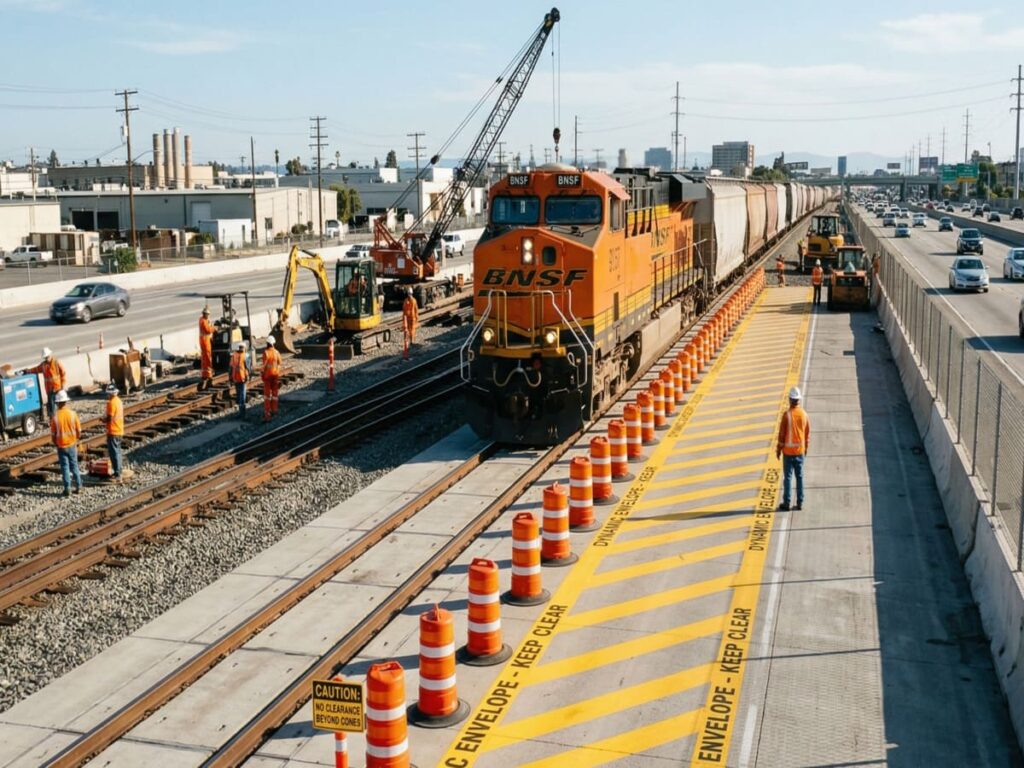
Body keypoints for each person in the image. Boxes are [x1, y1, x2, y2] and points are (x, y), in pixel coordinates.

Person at [776, 386, 810, 511]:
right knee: (800, 476)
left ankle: (787, 502)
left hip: (788, 453)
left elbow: (781, 435)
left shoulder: (786, 416)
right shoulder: (804, 415)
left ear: (790, 400)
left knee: (788, 478)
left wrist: (778, 450)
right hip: (800, 452)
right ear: (799, 400)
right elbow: (807, 434)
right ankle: (800, 501)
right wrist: (806, 448)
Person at [50, 389, 82, 497]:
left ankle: (67, 489)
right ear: (66, 402)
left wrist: (56, 443)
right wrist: (75, 439)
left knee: (65, 468)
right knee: (74, 466)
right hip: (72, 445)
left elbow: (53, 435)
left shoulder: (55, 417)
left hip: (61, 446)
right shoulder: (73, 414)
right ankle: (79, 486)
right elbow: (79, 431)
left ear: (58, 403)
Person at [27, 347, 66, 421]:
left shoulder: (56, 362)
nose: (46, 359)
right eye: (45, 357)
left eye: (47, 357)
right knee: (51, 406)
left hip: (58, 389)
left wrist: (63, 386)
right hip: (49, 390)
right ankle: (52, 421)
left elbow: (63, 373)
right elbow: (36, 369)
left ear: (50, 355)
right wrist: (27, 371)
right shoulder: (43, 365)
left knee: (60, 405)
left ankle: (62, 418)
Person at [104, 382, 124, 481]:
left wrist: (103, 420)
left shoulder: (111, 403)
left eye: (108, 393)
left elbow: (110, 418)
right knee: (118, 452)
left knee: (114, 453)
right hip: (119, 430)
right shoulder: (118, 401)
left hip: (113, 431)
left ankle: (117, 473)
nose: (107, 395)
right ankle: (119, 470)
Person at [261, 336, 282, 423]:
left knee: (267, 396)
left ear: (267, 343)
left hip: (267, 377)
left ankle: (267, 413)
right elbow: (280, 363)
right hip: (275, 376)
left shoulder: (266, 353)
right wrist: (277, 372)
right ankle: (275, 410)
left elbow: (264, 366)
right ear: (273, 343)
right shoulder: (277, 352)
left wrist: (262, 374)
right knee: (275, 394)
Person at [229, 341, 249, 418]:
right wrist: (248, 376)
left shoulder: (234, 355)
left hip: (235, 378)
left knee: (239, 395)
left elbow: (230, 368)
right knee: (242, 396)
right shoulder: (245, 356)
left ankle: (240, 412)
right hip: (242, 378)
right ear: (243, 348)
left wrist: (230, 378)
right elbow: (247, 368)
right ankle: (242, 413)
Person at [198, 306, 215, 390]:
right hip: (205, 341)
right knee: (208, 357)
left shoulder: (201, 319)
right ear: (205, 314)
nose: (208, 316)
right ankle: (208, 374)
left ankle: (205, 373)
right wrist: (214, 328)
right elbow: (208, 330)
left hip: (204, 340)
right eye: (207, 314)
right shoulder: (204, 321)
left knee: (204, 358)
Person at [402, 288, 419, 360]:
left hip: (411, 317)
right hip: (410, 317)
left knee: (411, 329)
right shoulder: (412, 300)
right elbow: (415, 309)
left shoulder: (408, 301)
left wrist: (416, 316)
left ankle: (411, 340)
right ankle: (411, 341)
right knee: (411, 329)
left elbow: (415, 309)